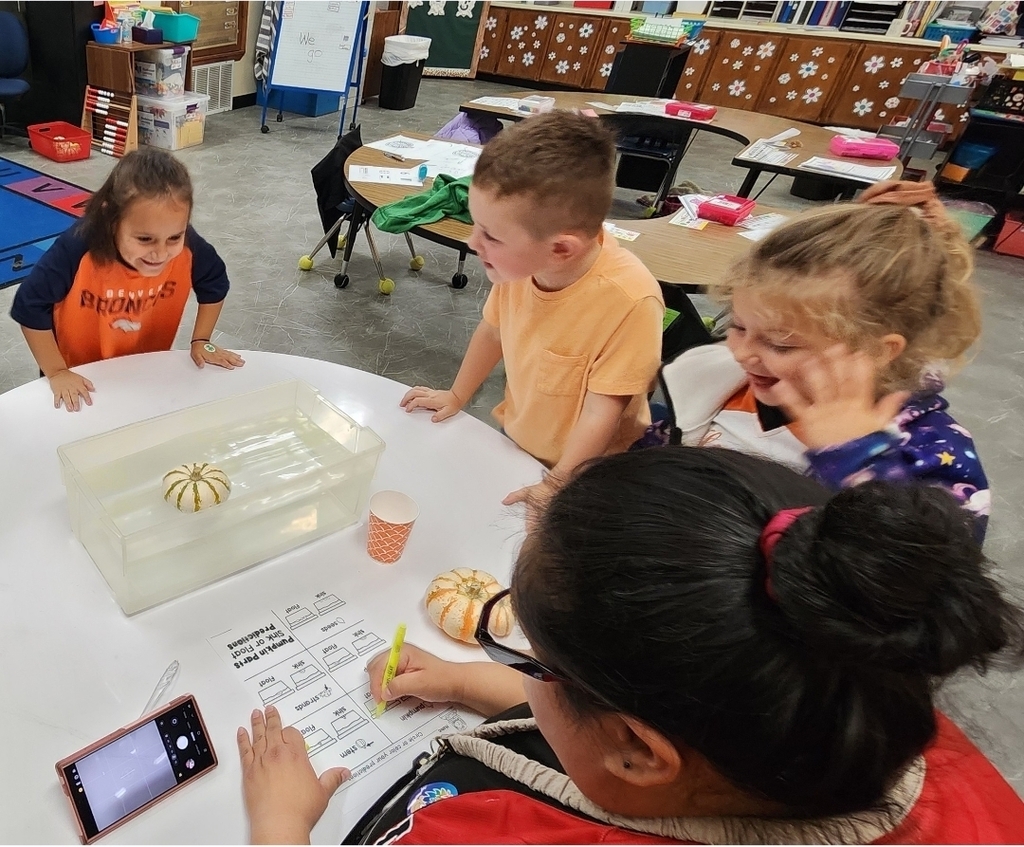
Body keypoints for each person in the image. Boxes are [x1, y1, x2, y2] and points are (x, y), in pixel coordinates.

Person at [238, 448, 1024, 844]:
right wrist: (477, 684)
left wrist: (280, 826)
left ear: (639, 751)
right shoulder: (861, 682)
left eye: (528, 656)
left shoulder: (483, 833)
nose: (512, 661)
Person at [661, 184, 989, 537]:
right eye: (738, 326)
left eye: (781, 345)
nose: (741, 353)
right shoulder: (724, 387)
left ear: (878, 351)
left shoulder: (932, 451)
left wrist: (857, 457)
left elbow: (929, 571)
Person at [399, 112, 664, 507]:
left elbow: (601, 413)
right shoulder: (521, 268)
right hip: (523, 441)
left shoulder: (631, 302)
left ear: (560, 249)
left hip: (590, 474)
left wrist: (557, 484)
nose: (474, 242)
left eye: (490, 234)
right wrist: (457, 394)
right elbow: (493, 332)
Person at [10, 147, 243, 411]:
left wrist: (201, 340)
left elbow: (215, 282)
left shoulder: (190, 246)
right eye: (145, 239)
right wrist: (56, 372)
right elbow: (30, 306)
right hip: (79, 373)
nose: (161, 253)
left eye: (174, 237)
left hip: (143, 370)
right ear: (111, 217)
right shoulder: (76, 247)